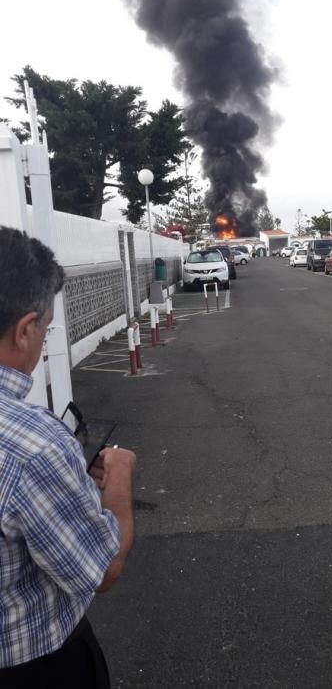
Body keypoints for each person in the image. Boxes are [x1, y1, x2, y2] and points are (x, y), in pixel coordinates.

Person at [0, 226, 136, 689]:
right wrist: (118, 478)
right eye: (46, 327)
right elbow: (102, 568)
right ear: (24, 330)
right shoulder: (32, 446)